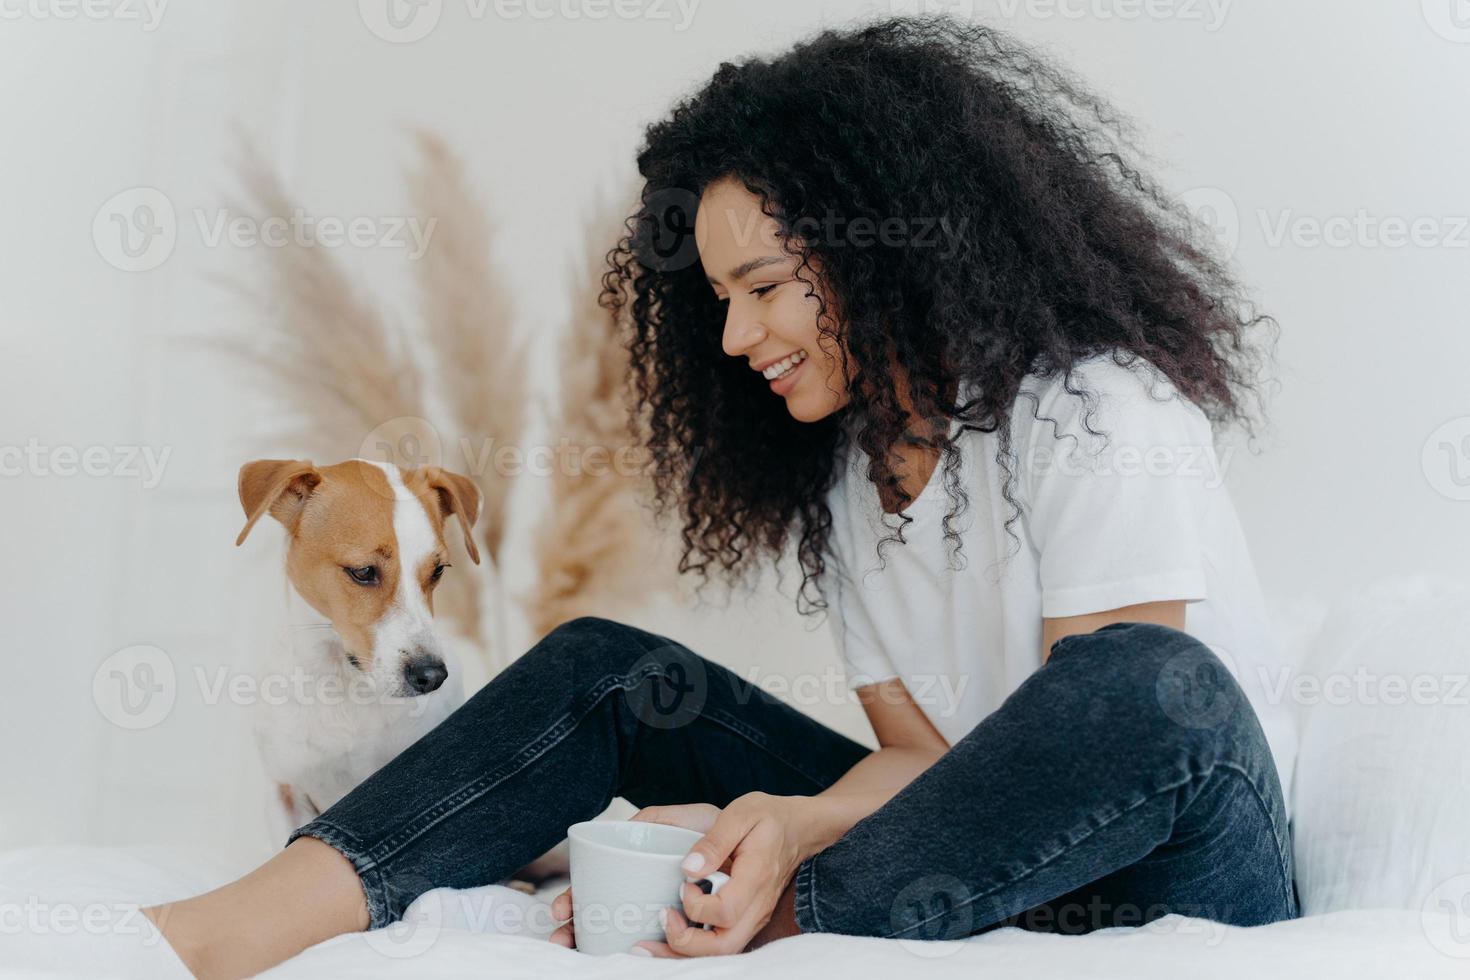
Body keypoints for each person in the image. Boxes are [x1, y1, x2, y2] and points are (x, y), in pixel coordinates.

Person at [142, 16, 1297, 978]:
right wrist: (776, 818)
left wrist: (789, 847)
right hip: (953, 861)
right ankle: (205, 936)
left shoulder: (1100, 407)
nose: (738, 336)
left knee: (1145, 682)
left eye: (765, 287)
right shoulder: (853, 477)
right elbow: (912, 764)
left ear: (886, 254)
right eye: (720, 300)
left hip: (1165, 861)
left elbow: (1102, 747)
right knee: (610, 672)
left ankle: (779, 911)